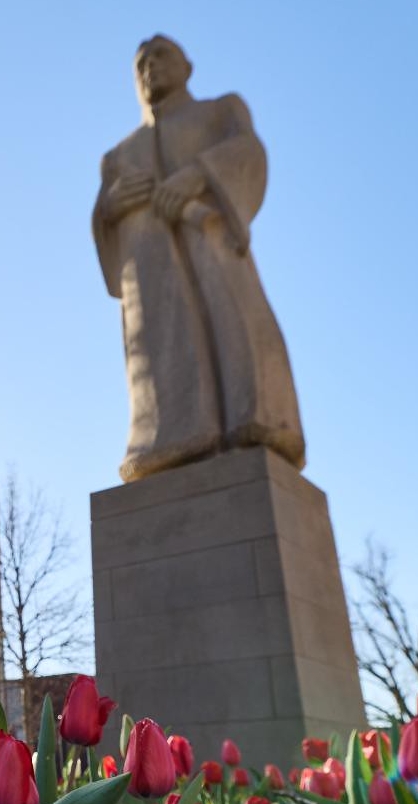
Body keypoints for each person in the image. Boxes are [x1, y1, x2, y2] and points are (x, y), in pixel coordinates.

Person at [93, 35, 305, 483]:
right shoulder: (118, 155)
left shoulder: (220, 111)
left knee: (236, 325)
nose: (150, 67)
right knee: (158, 347)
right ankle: (163, 438)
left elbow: (249, 151)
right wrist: (111, 209)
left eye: (161, 56)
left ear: (188, 66)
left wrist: (196, 175)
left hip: (210, 247)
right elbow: (106, 242)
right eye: (141, 64)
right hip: (151, 277)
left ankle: (257, 419)